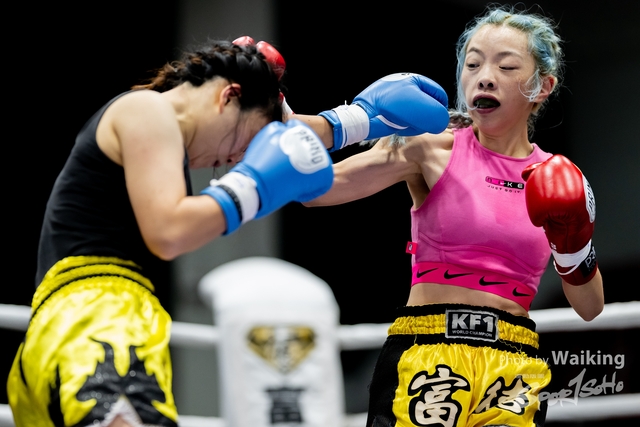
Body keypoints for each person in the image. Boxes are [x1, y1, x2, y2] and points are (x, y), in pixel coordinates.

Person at [7, 36, 449, 426]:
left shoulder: (159, 124)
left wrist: (359, 121)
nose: (238, 159)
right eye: (242, 146)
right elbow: (169, 231)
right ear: (228, 96)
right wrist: (254, 185)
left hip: (67, 327)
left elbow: (272, 130)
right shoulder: (148, 111)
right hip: (99, 320)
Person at [303, 4, 604, 427]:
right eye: (473, 64)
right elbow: (316, 191)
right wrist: (349, 122)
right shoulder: (431, 146)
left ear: (542, 86)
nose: (485, 76)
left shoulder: (557, 178)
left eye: (506, 66)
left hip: (513, 366)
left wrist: (574, 243)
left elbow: (590, 308)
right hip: (427, 352)